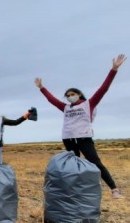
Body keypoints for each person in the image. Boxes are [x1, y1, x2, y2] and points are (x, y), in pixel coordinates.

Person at [34, 54, 126, 199]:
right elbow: (51, 100)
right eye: (68, 95)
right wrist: (42, 88)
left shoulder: (88, 104)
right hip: (68, 139)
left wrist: (113, 69)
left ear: (79, 94)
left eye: (72, 94)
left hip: (84, 138)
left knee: (95, 162)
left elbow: (103, 89)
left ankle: (114, 189)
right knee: (72, 166)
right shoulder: (65, 107)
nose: (70, 96)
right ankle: (74, 191)